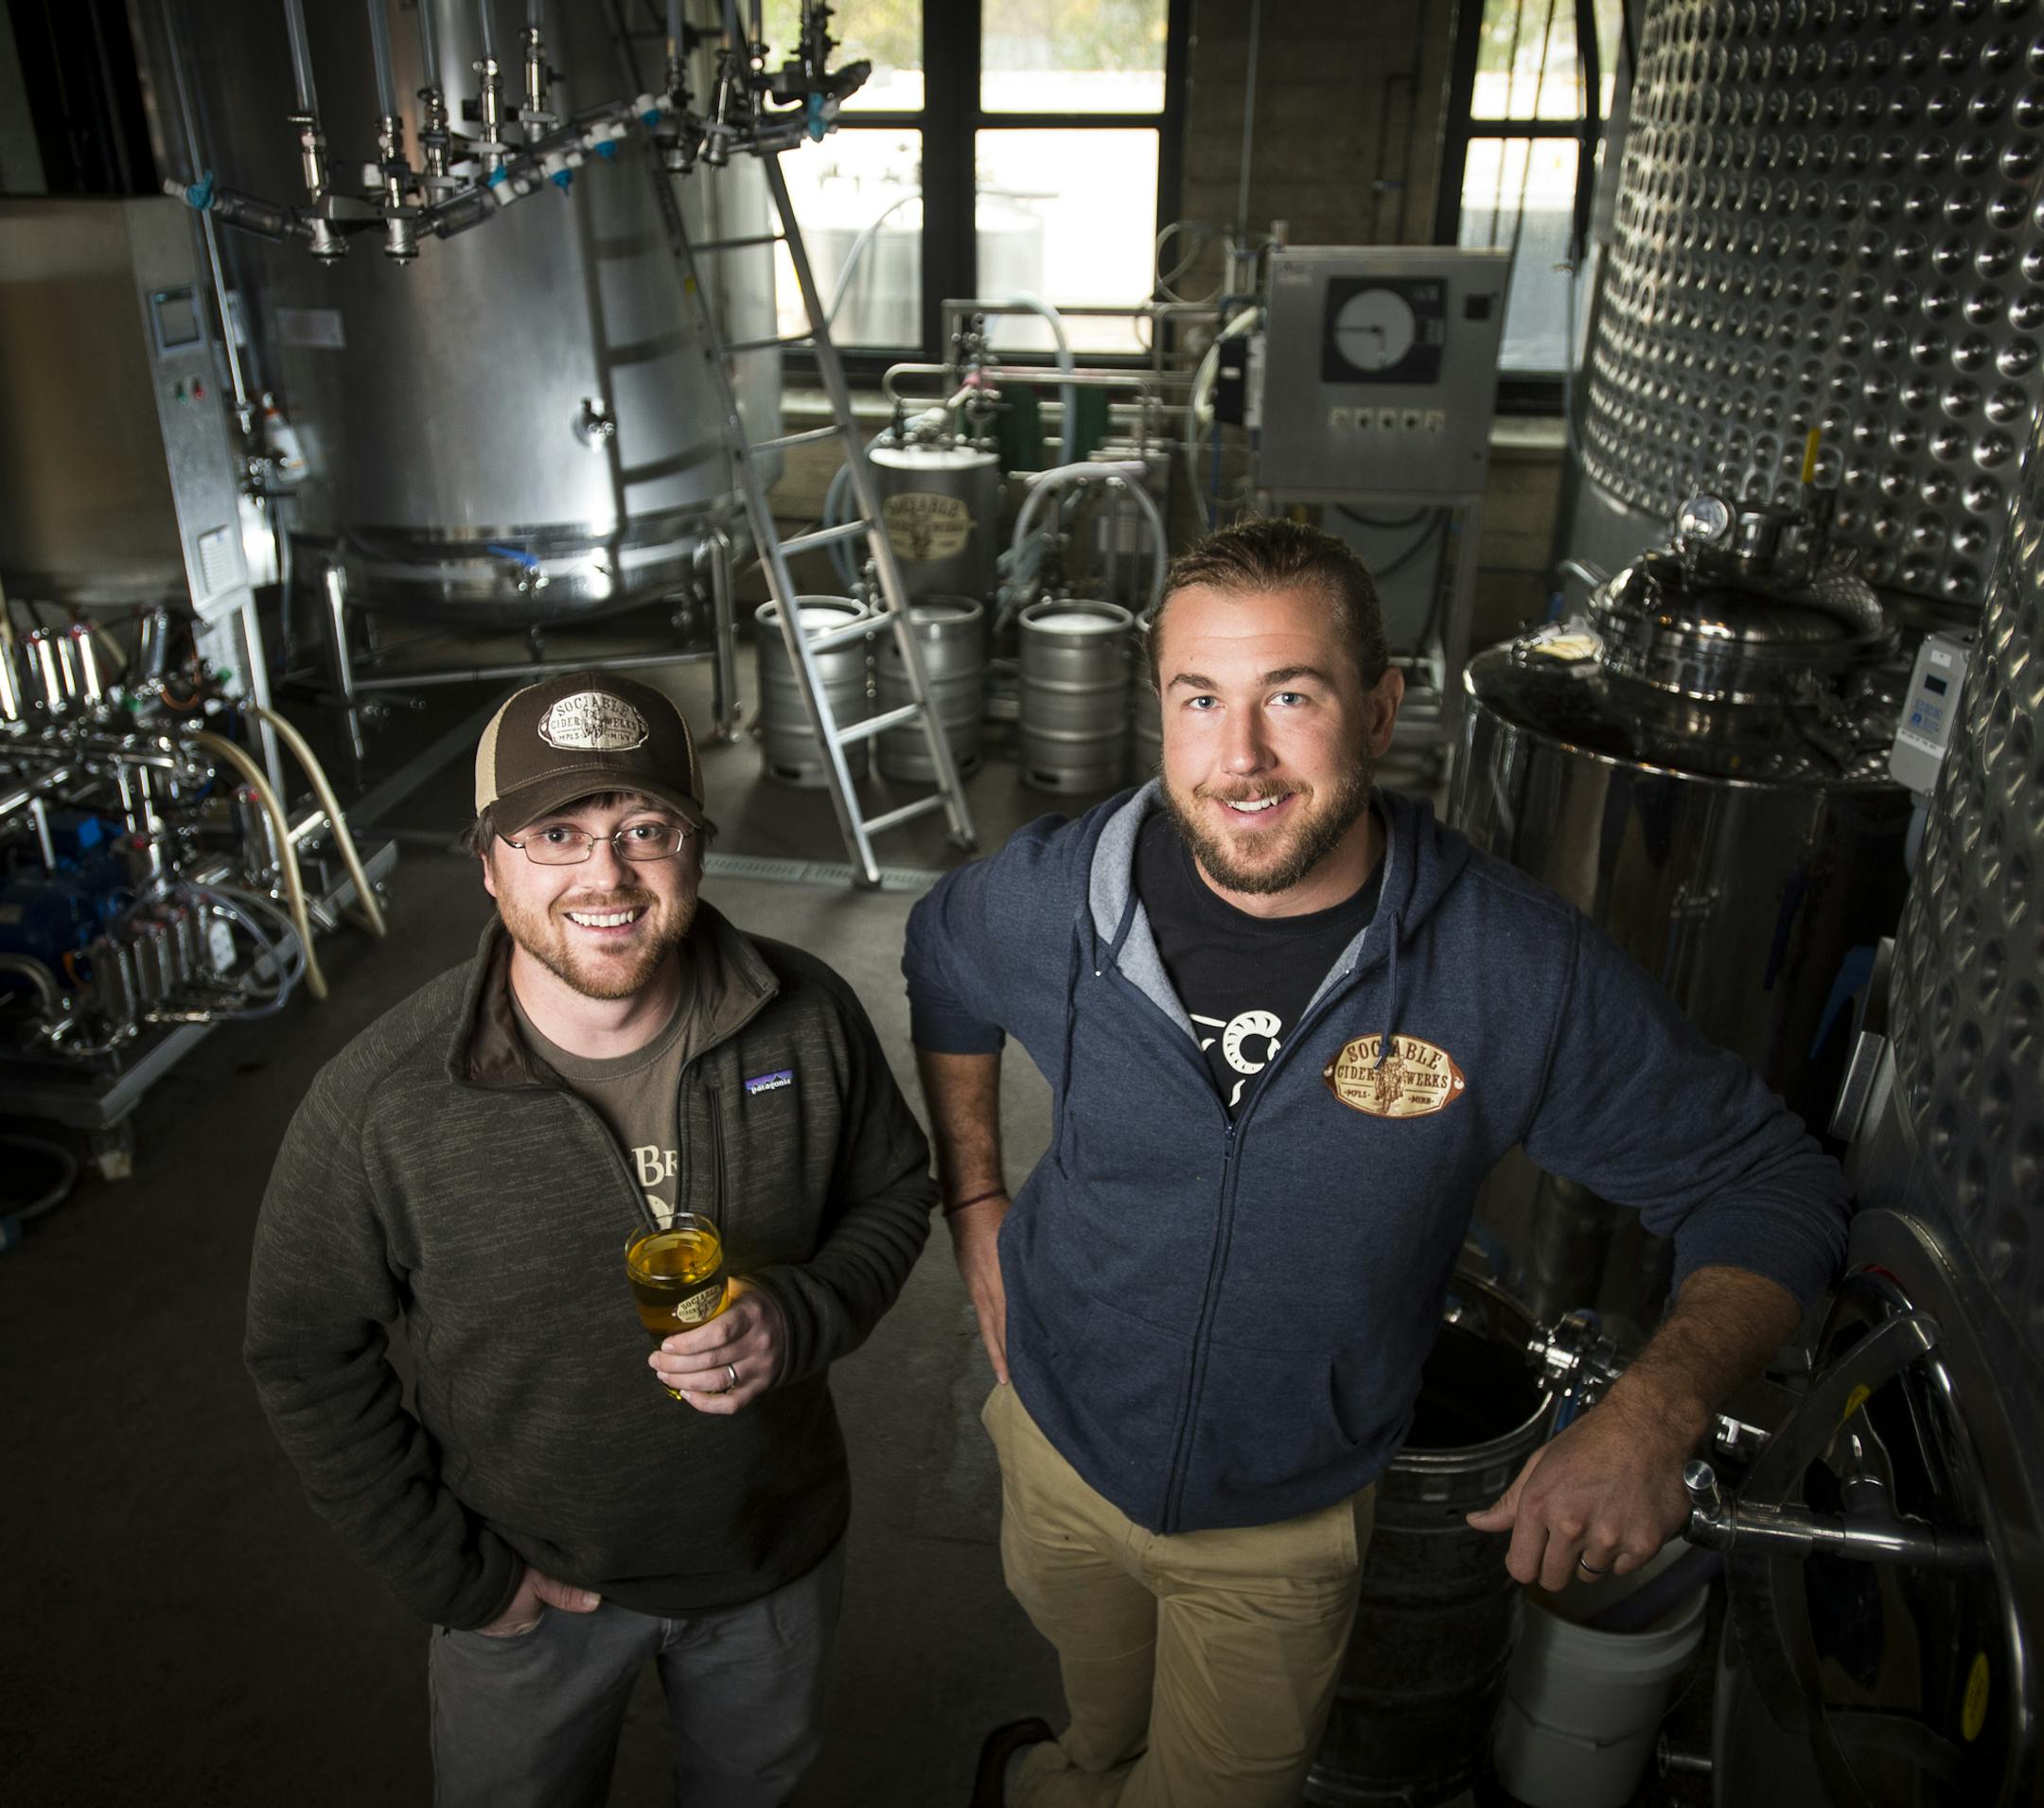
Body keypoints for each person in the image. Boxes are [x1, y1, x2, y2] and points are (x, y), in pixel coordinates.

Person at [902, 518, 1851, 1808]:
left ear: (1381, 707)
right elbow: (940, 957)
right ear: (1163, 711)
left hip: (1284, 1517)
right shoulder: (1057, 895)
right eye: (1200, 699)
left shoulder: (1509, 971)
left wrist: (1654, 1411)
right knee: (1099, 1718)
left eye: (1289, 695)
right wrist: (974, 1195)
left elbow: (1771, 1182)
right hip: (1054, 1437)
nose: (1239, 759)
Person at [247, 671, 935, 1807]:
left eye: (643, 830)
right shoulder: (383, 1102)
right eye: (554, 833)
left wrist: (798, 1318)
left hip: (770, 1562)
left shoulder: (807, 1016)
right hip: (532, 1595)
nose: (605, 877)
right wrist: (458, 1577)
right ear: (488, 863)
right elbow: (301, 1351)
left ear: (694, 850)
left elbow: (895, 1193)